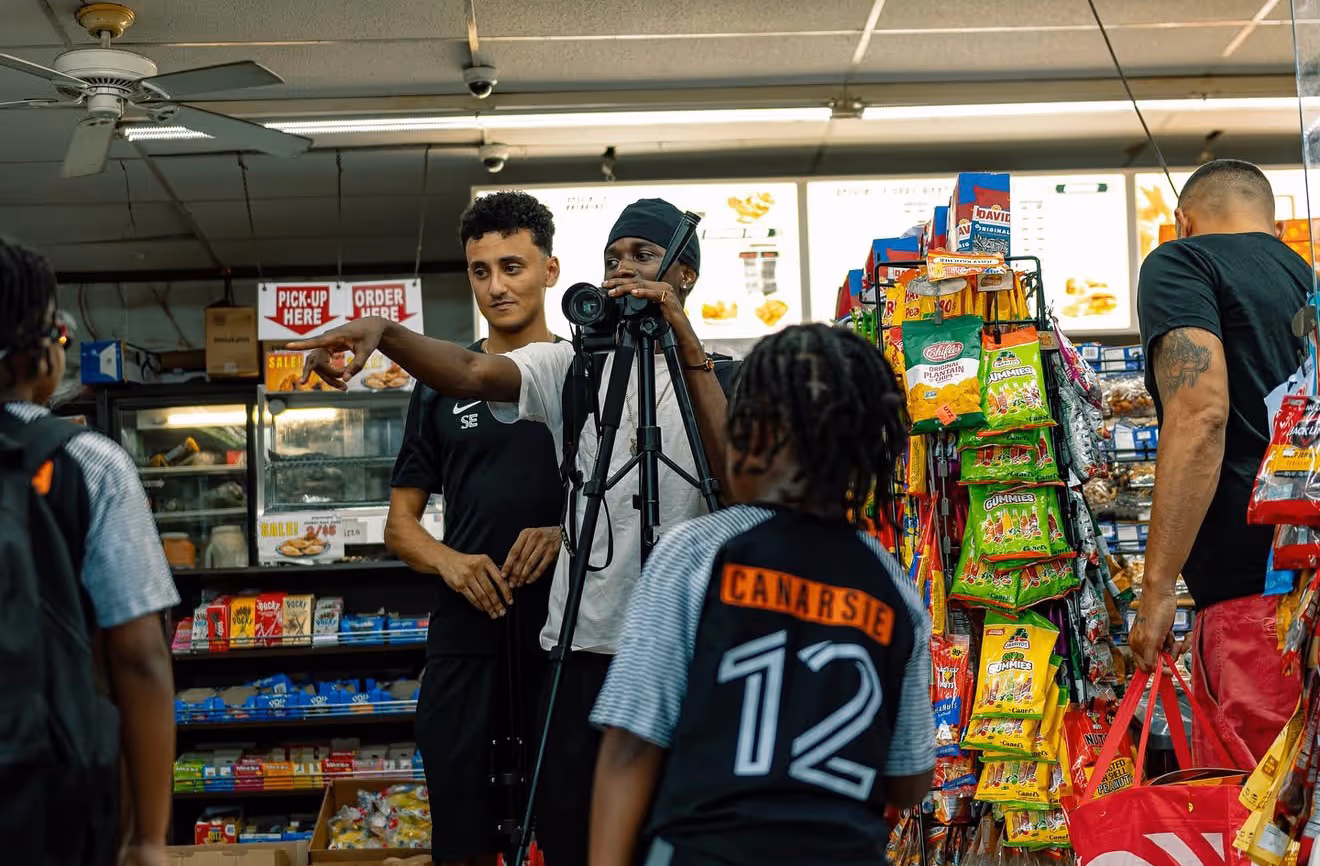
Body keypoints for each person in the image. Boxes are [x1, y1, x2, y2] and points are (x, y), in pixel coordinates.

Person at [292, 198, 738, 865]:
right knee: (573, 834)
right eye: (612, 261)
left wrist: (684, 340)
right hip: (583, 648)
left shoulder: (727, 375)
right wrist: (383, 330)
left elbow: (736, 482)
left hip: (686, 648)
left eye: (642, 258)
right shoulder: (573, 372)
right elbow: (471, 374)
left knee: (688, 833)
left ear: (685, 275)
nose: (623, 275)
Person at [589, 324, 934, 866]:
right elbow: (909, 782)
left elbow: (632, 741)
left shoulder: (695, 553)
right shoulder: (894, 588)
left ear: (749, 435)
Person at [385, 191, 564, 866]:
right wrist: (451, 562)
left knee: (566, 819)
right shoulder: (438, 386)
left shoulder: (586, 376)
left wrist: (566, 532)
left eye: (513, 266)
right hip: (466, 629)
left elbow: (632, 503)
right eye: (481, 271)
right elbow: (401, 525)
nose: (497, 286)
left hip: (561, 632)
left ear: (549, 271)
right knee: (460, 827)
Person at [0, 239, 178, 866]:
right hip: (43, 792)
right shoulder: (86, 462)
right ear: (43, 350)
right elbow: (140, 659)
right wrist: (148, 840)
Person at [1129, 159, 1308, 769]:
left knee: (1263, 820)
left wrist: (1157, 591)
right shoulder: (1305, 278)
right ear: (1276, 226)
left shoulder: (1181, 264)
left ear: (1182, 221)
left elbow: (1201, 416)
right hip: (1303, 587)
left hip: (1253, 603)